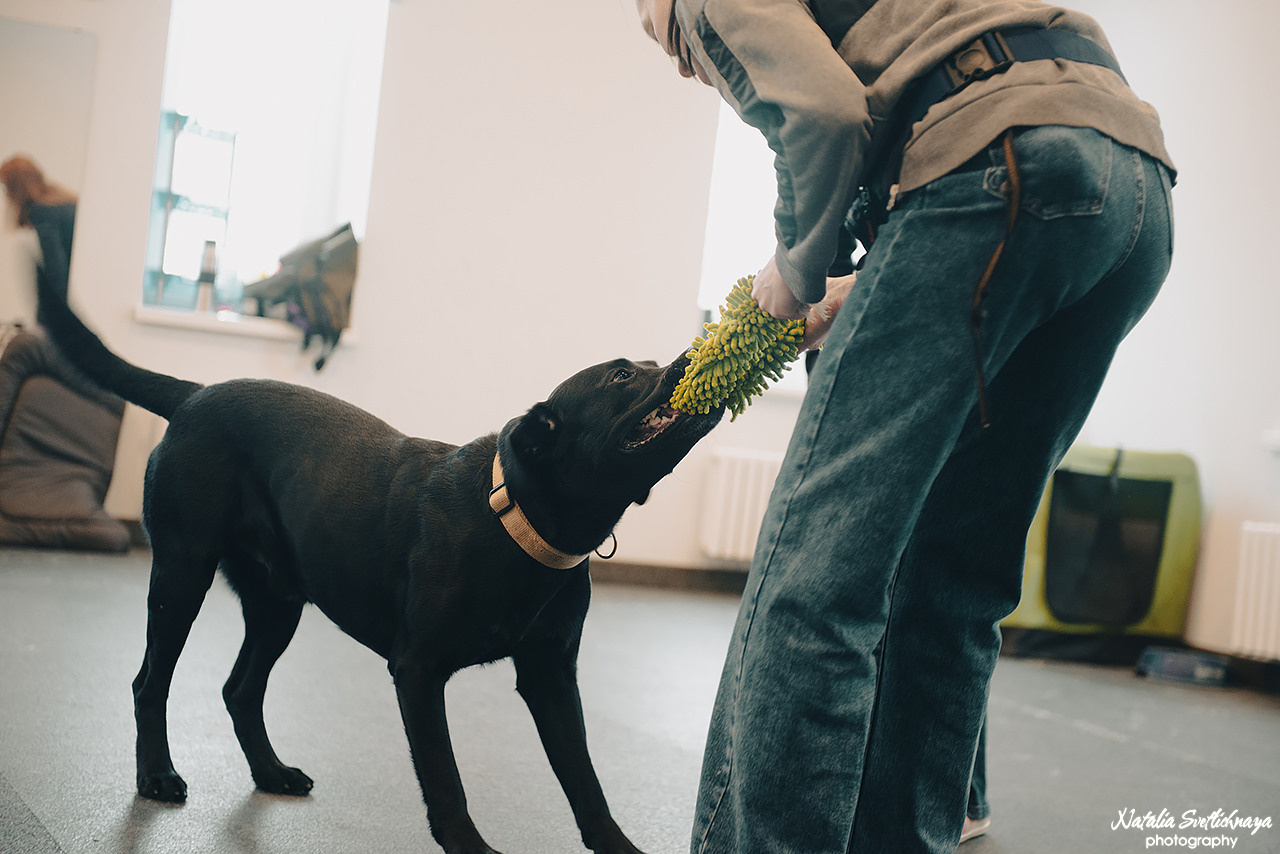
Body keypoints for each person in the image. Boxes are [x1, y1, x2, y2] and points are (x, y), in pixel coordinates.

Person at [633, 1, 1174, 852]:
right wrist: (858, 284)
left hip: (999, 160)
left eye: (672, 47)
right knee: (951, 584)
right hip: (1131, 185)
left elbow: (823, 114)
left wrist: (793, 271)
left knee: (813, 579)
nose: (684, 63)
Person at [1, 155, 79, 318]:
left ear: (16, 187)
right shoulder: (64, 199)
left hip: (67, 302)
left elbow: (56, 267)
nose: (7, 195)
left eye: (7, 188)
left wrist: (49, 316)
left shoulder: (42, 210)